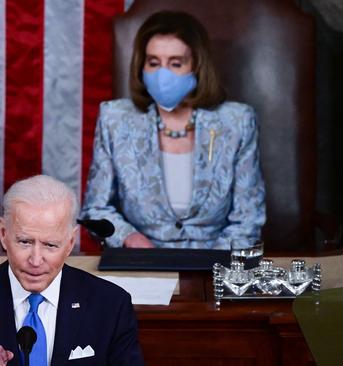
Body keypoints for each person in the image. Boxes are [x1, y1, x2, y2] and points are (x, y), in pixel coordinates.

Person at [81, 10, 265, 250]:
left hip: (216, 266)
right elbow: (95, 209)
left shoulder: (237, 122)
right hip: (143, 264)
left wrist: (210, 265)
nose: (162, 74)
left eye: (176, 63)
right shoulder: (115, 119)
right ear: (141, 66)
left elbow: (248, 218)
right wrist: (129, 238)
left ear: (197, 66)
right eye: (153, 63)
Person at [0, 175, 144, 365]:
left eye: (50, 245)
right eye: (25, 242)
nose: (36, 260)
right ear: (3, 235)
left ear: (69, 243)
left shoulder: (111, 305)